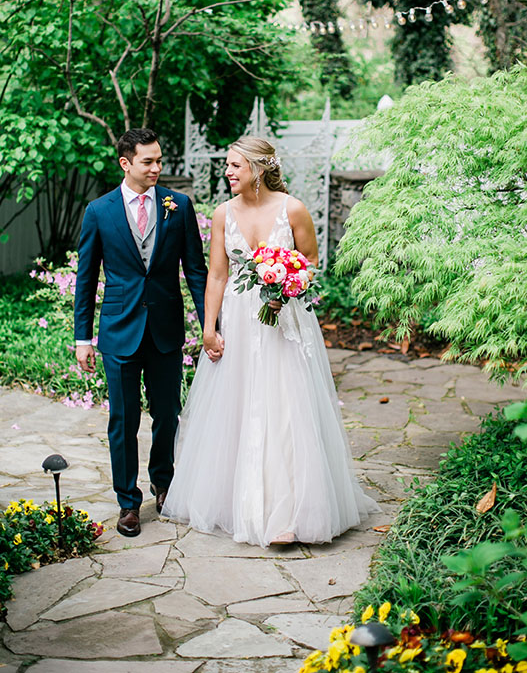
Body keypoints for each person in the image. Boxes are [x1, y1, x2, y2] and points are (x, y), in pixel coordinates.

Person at [162, 136, 379, 547]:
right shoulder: (223, 213)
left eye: (234, 166)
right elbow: (217, 275)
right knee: (239, 409)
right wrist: (209, 327)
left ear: (258, 170)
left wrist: (288, 287)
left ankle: (292, 513)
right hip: (240, 323)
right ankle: (239, 502)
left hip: (285, 324)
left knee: (286, 410)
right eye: (227, 165)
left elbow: (311, 264)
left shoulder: (292, 208)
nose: (227, 172)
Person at [74, 128, 207, 537]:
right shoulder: (99, 211)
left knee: (166, 415)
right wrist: (83, 337)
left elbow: (196, 271)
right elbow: (86, 276)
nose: (156, 167)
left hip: (166, 329)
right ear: (125, 163)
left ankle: (163, 485)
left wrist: (211, 327)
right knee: (123, 420)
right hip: (118, 331)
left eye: (159, 160)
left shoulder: (178, 206)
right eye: (148, 161)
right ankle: (128, 502)